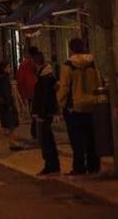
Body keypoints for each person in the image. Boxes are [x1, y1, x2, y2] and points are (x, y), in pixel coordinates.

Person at [57, 38, 102, 175]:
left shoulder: (68, 65)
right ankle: (94, 165)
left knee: (77, 140)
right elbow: (98, 82)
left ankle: (79, 166)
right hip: (91, 105)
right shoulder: (92, 63)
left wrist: (61, 103)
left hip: (74, 107)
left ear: (71, 49)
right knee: (91, 137)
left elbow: (64, 87)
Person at [31, 52, 60, 175]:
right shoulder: (46, 76)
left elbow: (44, 97)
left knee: (45, 139)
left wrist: (41, 113)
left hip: (43, 114)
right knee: (46, 138)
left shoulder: (45, 77)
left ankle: (51, 164)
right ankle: (52, 164)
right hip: (44, 113)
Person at [17, 46, 39, 139]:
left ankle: (35, 131)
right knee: (38, 110)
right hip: (39, 88)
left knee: (33, 110)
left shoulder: (24, 64)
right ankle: (36, 130)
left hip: (29, 90)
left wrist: (21, 92)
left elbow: (20, 79)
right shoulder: (39, 62)